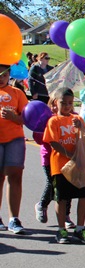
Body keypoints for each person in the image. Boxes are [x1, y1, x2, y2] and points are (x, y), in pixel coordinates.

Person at [43, 88, 85, 244]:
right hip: (61, 166)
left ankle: (80, 228)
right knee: (62, 198)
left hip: (78, 165)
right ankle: (61, 230)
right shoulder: (54, 120)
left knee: (83, 196)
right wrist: (68, 154)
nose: (67, 106)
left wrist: (82, 126)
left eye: (70, 103)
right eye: (63, 103)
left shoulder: (77, 118)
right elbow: (53, 142)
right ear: (55, 103)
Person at [33, 95, 75, 229]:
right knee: (52, 182)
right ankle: (42, 205)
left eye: (68, 103)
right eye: (55, 104)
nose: (60, 107)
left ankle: (66, 215)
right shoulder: (47, 120)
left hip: (67, 158)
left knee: (67, 187)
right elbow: (39, 138)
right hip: (49, 158)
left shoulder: (72, 117)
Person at [0, 64, 28, 234]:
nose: (0, 77)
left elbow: (27, 119)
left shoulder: (17, 93)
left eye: (3, 74)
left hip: (14, 140)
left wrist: (14, 117)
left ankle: (14, 219)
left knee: (15, 177)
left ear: (9, 75)